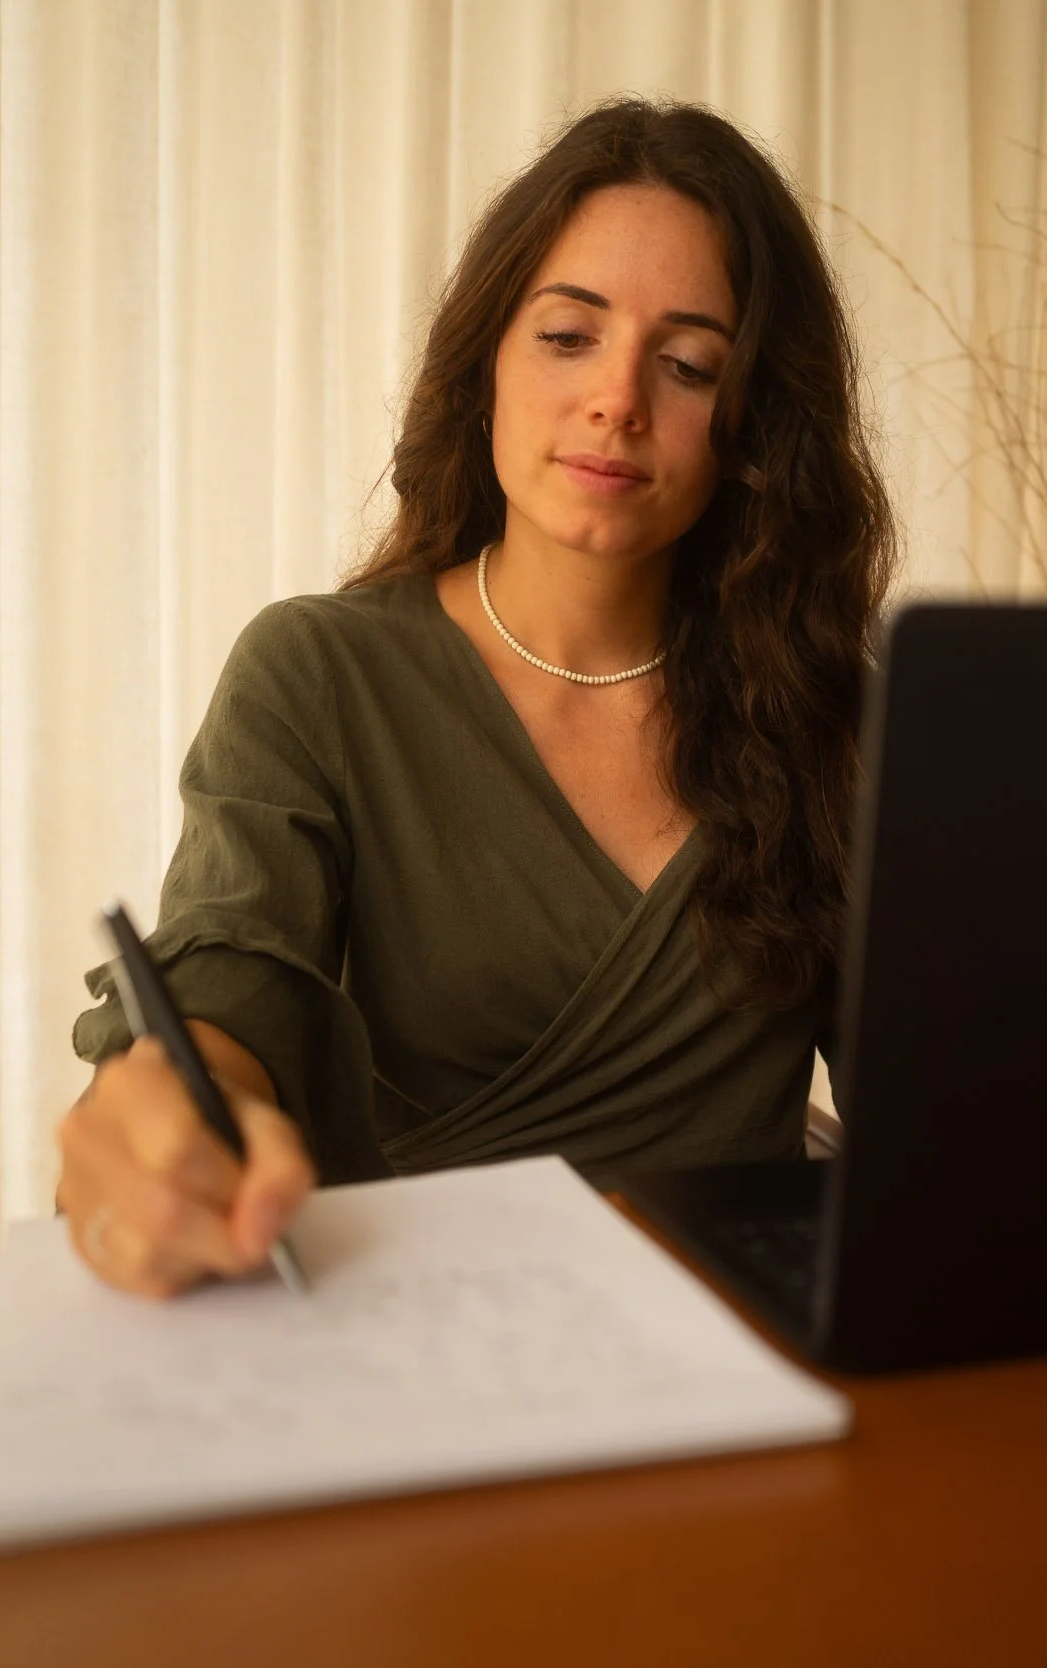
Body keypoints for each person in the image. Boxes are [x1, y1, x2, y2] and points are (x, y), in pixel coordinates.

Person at [56, 97, 894, 1299]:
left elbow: (932, 1106)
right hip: (423, 1337)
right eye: (568, 336)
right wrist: (171, 1119)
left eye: (690, 362)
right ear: (486, 360)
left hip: (742, 1350)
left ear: (754, 423)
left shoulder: (832, 718)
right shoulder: (319, 673)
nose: (619, 399)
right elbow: (232, 983)